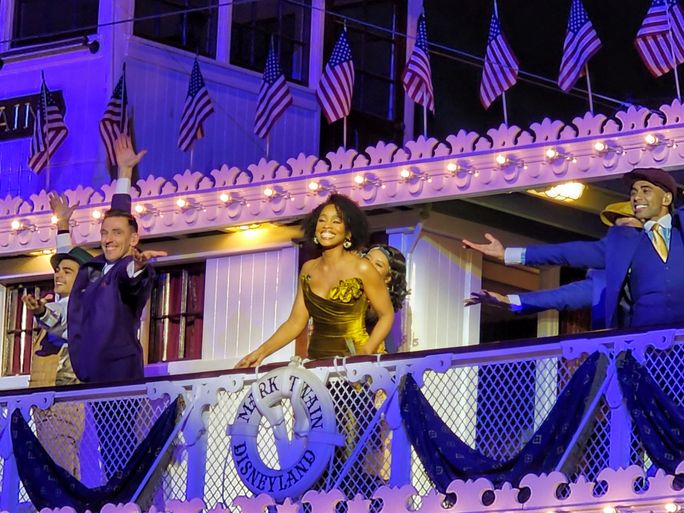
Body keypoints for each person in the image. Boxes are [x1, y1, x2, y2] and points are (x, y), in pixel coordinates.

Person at [463, 168, 682, 329]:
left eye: (645, 190)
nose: (636, 197)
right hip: (645, 345)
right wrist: (507, 257)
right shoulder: (622, 247)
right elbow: (570, 257)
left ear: (666, 197)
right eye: (633, 192)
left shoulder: (680, 228)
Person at [236, 194, 394, 367]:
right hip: (317, 365)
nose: (327, 226)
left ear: (348, 232)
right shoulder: (308, 269)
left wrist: (366, 352)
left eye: (336, 221)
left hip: (353, 367)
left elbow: (386, 315)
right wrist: (259, 353)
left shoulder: (362, 268)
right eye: (322, 220)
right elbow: (296, 322)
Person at [67, 135, 167, 383]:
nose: (108, 239)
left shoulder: (126, 269)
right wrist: (124, 173)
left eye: (117, 234)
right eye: (104, 233)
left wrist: (139, 266)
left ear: (134, 240)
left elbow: (130, 279)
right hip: (88, 375)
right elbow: (119, 218)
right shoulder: (94, 267)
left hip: (119, 377)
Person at [464, 201, 642, 329]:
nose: (618, 233)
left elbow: (569, 253)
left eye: (627, 225)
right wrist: (509, 301)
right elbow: (564, 295)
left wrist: (507, 255)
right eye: (615, 228)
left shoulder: (664, 253)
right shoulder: (604, 281)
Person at [20, 197, 93, 478]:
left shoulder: (79, 308)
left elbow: (57, 321)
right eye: (56, 271)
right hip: (46, 402)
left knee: (61, 474)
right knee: (53, 469)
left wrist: (40, 312)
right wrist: (62, 225)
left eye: (66, 272)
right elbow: (68, 262)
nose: (57, 275)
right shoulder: (66, 300)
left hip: (61, 404)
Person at [363, 244, 409, 352]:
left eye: (378, 264)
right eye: (367, 259)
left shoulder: (378, 305)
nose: (369, 265)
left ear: (388, 277)